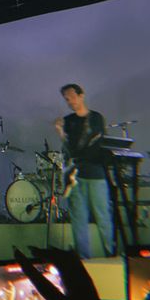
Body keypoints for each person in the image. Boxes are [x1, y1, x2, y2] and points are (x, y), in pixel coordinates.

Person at [54, 83, 114, 258]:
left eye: (72, 97)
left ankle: (111, 254)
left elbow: (96, 144)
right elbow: (68, 149)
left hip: (95, 173)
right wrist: (60, 132)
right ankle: (84, 259)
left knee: (103, 216)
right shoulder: (68, 121)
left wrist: (78, 152)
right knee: (78, 220)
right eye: (66, 99)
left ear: (82, 95)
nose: (69, 101)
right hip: (75, 176)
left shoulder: (96, 118)